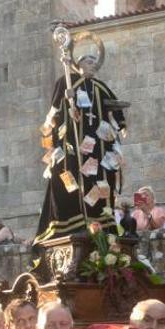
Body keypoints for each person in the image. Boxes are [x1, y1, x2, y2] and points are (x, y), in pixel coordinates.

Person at [34, 31, 126, 244]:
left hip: (98, 147)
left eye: (94, 61)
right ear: (79, 64)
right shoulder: (67, 82)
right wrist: (68, 102)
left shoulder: (101, 87)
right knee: (72, 176)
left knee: (99, 178)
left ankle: (101, 220)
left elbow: (115, 108)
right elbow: (54, 112)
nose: (92, 65)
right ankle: (74, 219)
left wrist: (121, 126)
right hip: (73, 144)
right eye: (87, 61)